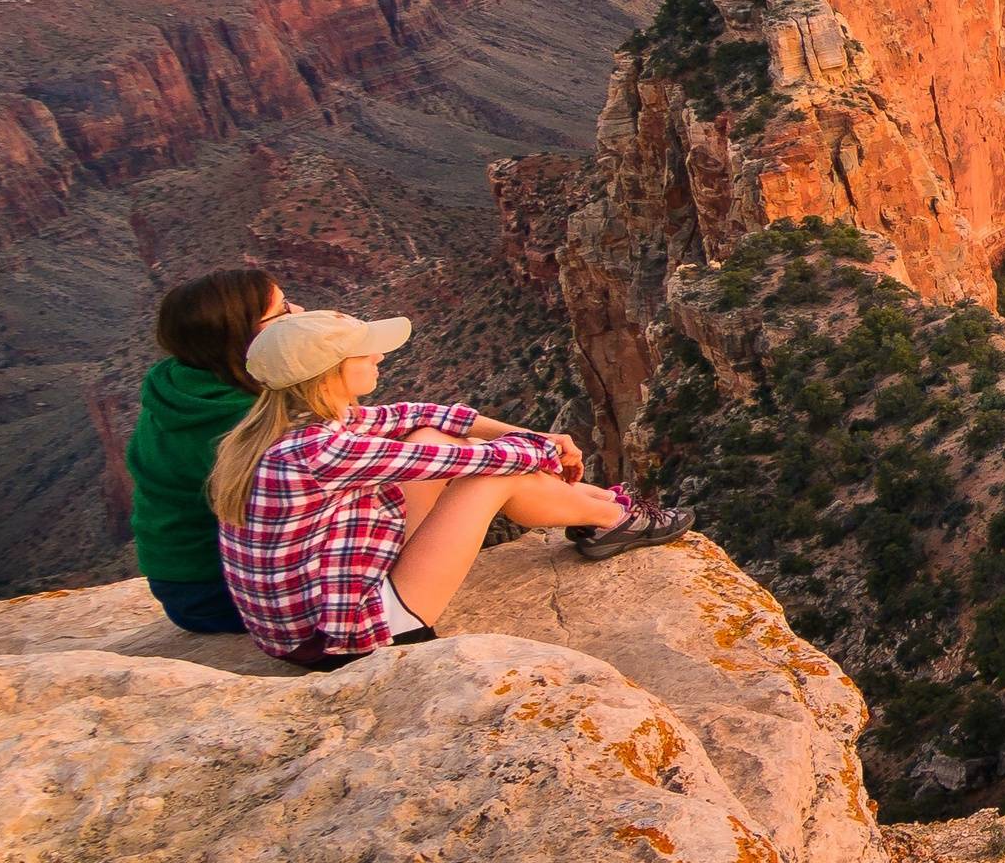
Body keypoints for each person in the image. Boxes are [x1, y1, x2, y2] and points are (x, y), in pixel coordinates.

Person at [211, 307, 690, 666]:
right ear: (333, 371)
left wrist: (537, 437)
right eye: (366, 351)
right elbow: (477, 461)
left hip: (323, 604)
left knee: (432, 437)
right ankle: (615, 517)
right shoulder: (317, 451)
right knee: (486, 477)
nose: (379, 355)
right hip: (343, 637)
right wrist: (543, 450)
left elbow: (421, 417)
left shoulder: (293, 422)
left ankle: (605, 507)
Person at [126, 267, 288, 634]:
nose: (300, 313)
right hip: (218, 594)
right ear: (241, 335)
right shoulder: (239, 420)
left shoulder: (180, 384)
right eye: (283, 310)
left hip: (182, 584)